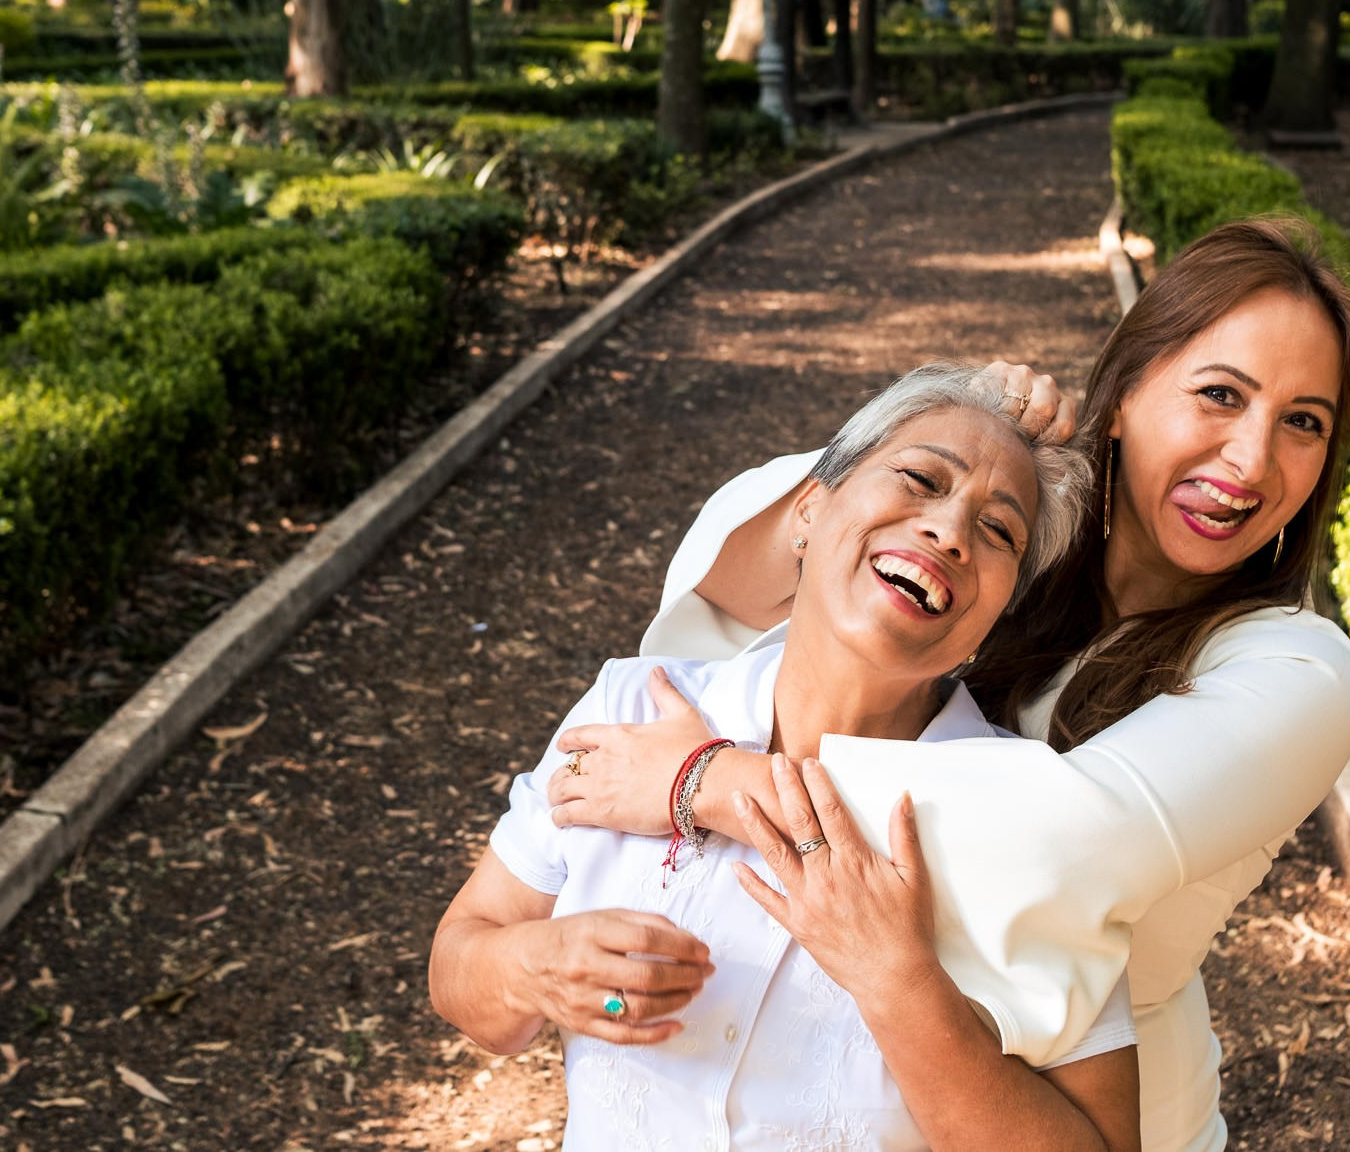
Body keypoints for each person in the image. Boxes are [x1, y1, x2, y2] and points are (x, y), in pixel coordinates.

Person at [546, 218, 1350, 1151]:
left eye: (1303, 422)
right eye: (1221, 393)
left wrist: (711, 780)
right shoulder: (1006, 545)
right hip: (852, 1077)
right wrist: (946, 426)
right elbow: (730, 584)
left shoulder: (1301, 669)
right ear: (1126, 389)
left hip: (1082, 1107)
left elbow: (1063, 838)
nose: (1251, 459)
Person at [431, 365, 1142, 1151]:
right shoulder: (633, 706)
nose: (948, 532)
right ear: (809, 510)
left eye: (999, 530)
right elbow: (465, 960)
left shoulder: (1028, 813)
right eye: (919, 477)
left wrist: (899, 982)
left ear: (996, 616)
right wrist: (536, 967)